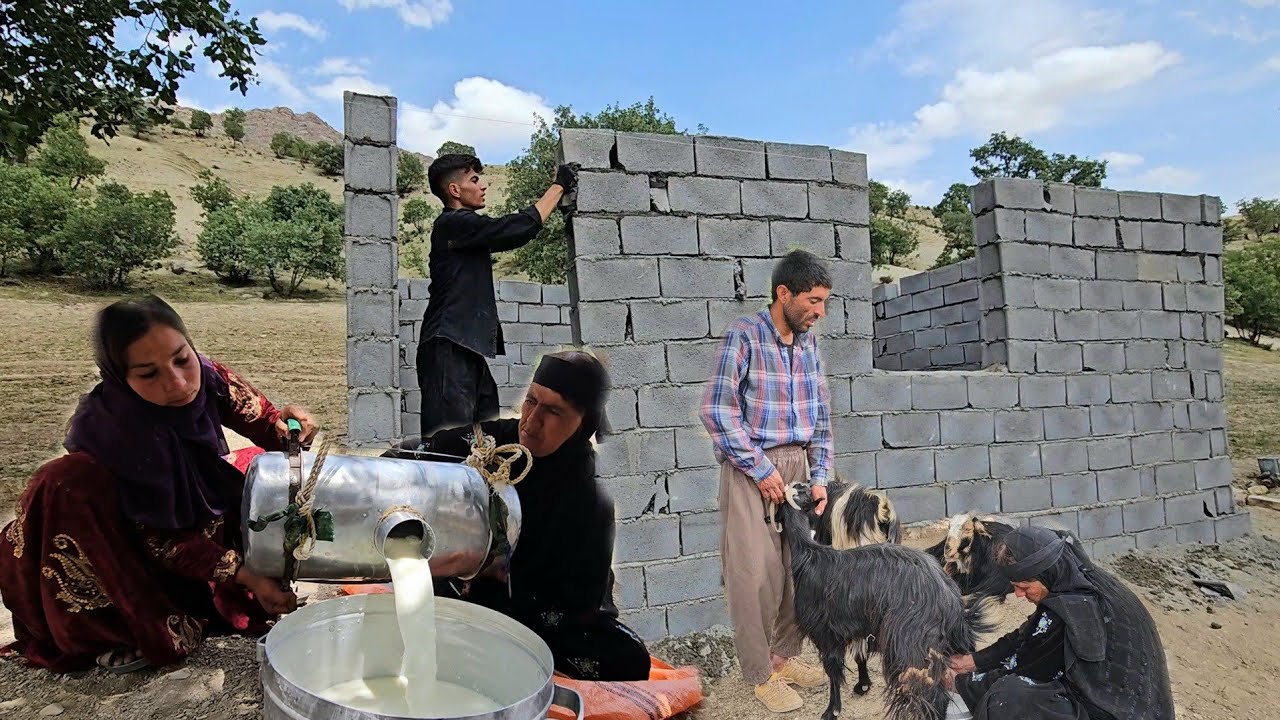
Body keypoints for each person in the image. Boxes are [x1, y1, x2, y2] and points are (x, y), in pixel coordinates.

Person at [0, 295, 318, 675]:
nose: (177, 382)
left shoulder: (208, 377)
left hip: (185, 525)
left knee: (254, 472)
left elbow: (264, 420)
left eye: (182, 359)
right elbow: (162, 541)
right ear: (119, 375)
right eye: (148, 374)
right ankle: (109, 632)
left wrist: (288, 424)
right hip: (125, 544)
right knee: (68, 483)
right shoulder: (117, 434)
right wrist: (245, 574)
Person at [386, 350, 650, 682]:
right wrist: (382, 474)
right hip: (468, 587)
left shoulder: (591, 498)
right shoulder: (498, 443)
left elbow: (577, 602)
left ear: (583, 423)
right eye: (531, 401)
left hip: (541, 607)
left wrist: (492, 570)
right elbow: (421, 453)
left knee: (628, 659)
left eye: (554, 411)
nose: (531, 421)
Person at [698, 249, 835, 713]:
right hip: (751, 467)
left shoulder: (810, 344)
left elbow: (820, 417)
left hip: (799, 464)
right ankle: (759, 674)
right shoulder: (745, 335)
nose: (820, 312)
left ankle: (784, 657)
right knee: (754, 574)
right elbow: (716, 410)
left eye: (824, 303)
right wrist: (761, 470)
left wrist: (820, 477)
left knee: (801, 570)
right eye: (813, 301)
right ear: (784, 293)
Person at [416, 153, 579, 437]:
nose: (483, 186)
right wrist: (559, 187)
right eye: (474, 180)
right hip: (447, 346)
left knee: (486, 434)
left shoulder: (466, 232)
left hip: (464, 348)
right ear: (455, 190)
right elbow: (515, 229)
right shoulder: (452, 224)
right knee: (449, 443)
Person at [946, 525, 1176, 720]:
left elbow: (1028, 668)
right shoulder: (1075, 577)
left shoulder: (1077, 610)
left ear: (1045, 575)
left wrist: (960, 683)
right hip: (1132, 704)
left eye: (1024, 587)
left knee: (1008, 698)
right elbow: (1028, 635)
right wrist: (972, 662)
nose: (1017, 594)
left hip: (1114, 711)